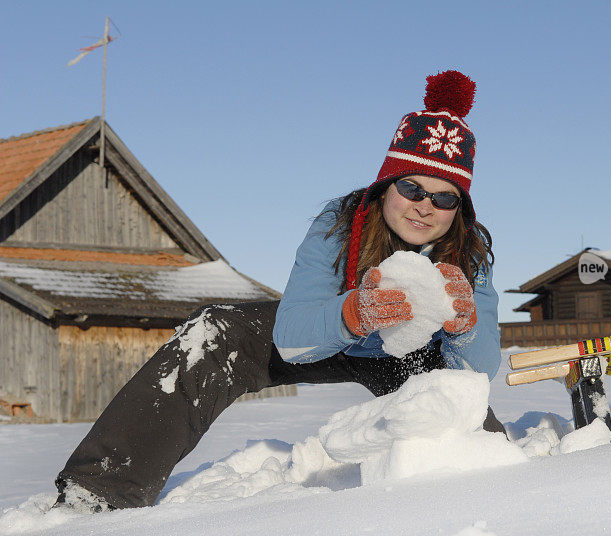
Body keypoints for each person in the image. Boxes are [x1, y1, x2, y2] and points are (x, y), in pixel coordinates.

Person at [54, 70, 503, 511]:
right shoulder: (341, 223)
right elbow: (292, 334)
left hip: (411, 356)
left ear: (458, 208)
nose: (426, 206)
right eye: (412, 187)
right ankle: (99, 493)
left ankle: (502, 487)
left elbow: (480, 370)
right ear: (387, 185)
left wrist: (464, 327)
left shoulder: (468, 250)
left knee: (464, 411)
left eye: (445, 198)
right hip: (333, 333)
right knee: (216, 331)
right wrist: (355, 315)